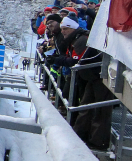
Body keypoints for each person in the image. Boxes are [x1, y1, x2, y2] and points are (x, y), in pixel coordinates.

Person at [47, 17, 113, 150]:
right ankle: (79, 134)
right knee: (85, 106)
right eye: (63, 28)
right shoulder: (74, 39)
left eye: (66, 29)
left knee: (100, 110)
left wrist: (57, 60)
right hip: (91, 77)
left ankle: (99, 142)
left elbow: (76, 61)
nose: (63, 31)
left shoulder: (81, 40)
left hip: (100, 77)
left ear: (72, 28)